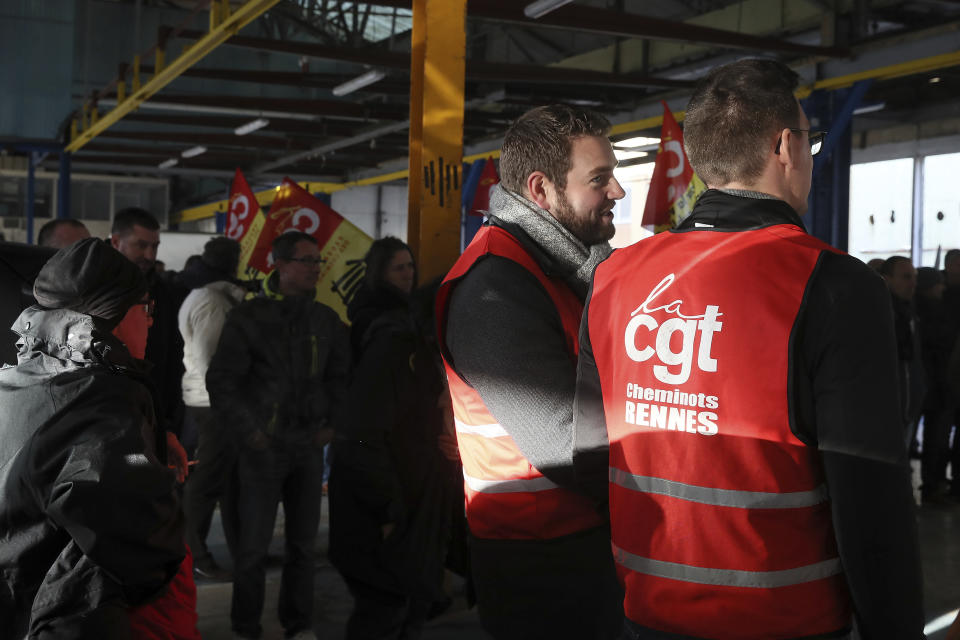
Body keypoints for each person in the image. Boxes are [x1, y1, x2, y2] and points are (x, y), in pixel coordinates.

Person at [574, 58, 924, 639]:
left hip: (646, 608)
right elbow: (869, 501)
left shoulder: (615, 277)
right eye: (808, 142)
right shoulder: (833, 285)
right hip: (784, 618)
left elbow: (588, 455)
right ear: (785, 146)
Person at [435, 104, 625, 639]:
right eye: (600, 179)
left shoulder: (562, 268)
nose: (617, 192)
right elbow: (566, 448)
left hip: (576, 544)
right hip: (541, 562)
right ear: (541, 190)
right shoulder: (495, 290)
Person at [0, 238, 185, 639]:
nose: (151, 321)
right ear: (113, 317)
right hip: (67, 617)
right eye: (146, 308)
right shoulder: (99, 400)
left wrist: (149, 446)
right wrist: (148, 465)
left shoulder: (22, 377)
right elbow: (141, 541)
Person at [206, 231, 351, 640]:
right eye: (306, 260)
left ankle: (298, 624)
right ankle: (245, 626)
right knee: (251, 550)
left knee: (302, 549)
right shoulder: (250, 317)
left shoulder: (324, 320)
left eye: (317, 261)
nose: (314, 268)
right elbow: (222, 380)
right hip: (261, 452)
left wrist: (331, 426)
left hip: (306, 448)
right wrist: (251, 433)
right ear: (280, 265)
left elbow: (341, 377)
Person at [330, 237, 456, 639]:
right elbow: (362, 436)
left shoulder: (420, 351)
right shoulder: (393, 347)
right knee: (385, 610)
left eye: (409, 266)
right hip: (388, 508)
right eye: (397, 267)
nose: (407, 273)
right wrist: (386, 512)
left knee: (407, 605)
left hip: (412, 503)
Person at [178, 237, 244, 581]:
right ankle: (195, 555)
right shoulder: (212, 301)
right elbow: (211, 361)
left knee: (222, 479)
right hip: (212, 402)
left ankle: (221, 551)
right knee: (206, 481)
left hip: (210, 399)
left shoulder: (209, 295)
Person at [111, 208, 187, 458]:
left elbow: (172, 361)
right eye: (141, 245)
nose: (150, 255)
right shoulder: (88, 290)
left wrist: (168, 426)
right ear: (115, 241)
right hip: (106, 419)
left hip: (153, 419)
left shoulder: (165, 293)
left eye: (155, 246)